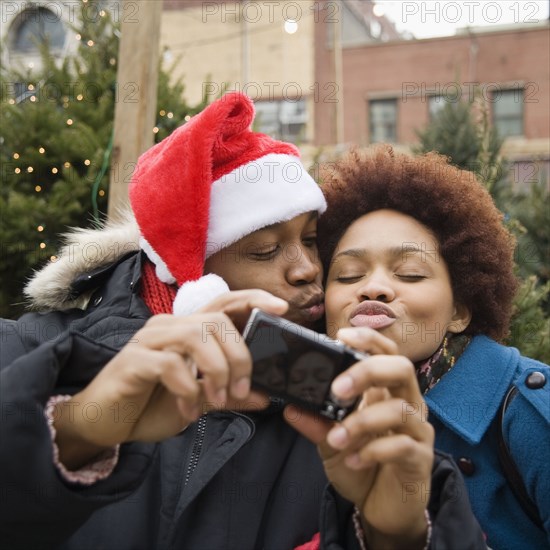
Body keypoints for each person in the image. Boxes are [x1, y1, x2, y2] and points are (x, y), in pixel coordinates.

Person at [0, 93, 485, 549]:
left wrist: (397, 533)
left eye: (313, 241)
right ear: (191, 276)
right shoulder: (25, 354)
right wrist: (75, 432)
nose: (307, 269)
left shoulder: (351, 419)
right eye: (264, 250)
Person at [316, 145, 550, 549]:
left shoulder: (531, 413)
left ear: (460, 310)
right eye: (348, 275)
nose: (372, 287)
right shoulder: (311, 415)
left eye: (409, 273)